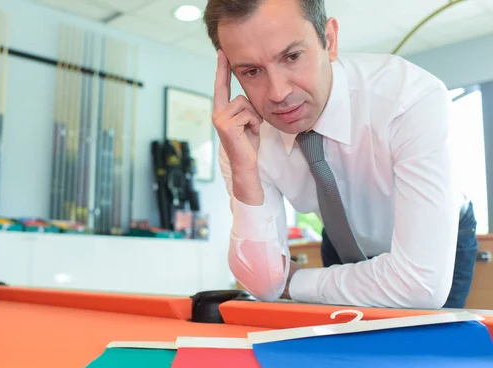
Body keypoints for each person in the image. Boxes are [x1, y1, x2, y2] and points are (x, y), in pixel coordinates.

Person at [203, 0, 479, 309]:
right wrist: (243, 171)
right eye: (251, 71)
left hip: (435, 243)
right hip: (342, 242)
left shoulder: (410, 98)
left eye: (292, 56)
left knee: (427, 354)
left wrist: (294, 282)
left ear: (329, 40)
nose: (278, 93)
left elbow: (421, 285)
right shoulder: (242, 135)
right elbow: (265, 285)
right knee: (341, 353)